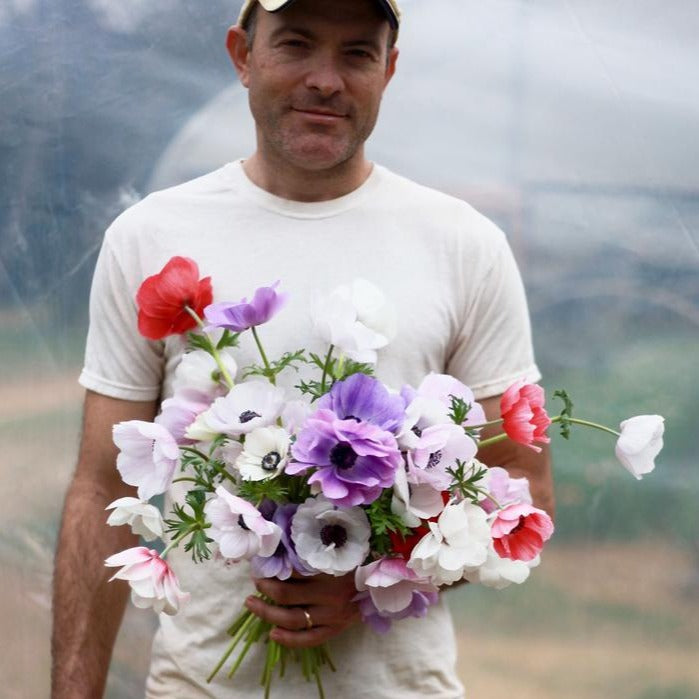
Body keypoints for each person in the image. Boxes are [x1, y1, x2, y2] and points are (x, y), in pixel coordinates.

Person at [51, 0, 554, 696]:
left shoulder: (463, 244)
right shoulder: (152, 236)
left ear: (389, 70)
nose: (326, 79)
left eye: (356, 53)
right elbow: (102, 485)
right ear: (241, 54)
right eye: (295, 45)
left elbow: (521, 483)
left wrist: (377, 580)